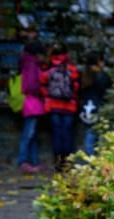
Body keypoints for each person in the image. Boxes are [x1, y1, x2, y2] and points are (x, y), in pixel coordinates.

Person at [40, 42, 80, 172]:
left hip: (53, 105)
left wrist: (49, 97)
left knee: (57, 133)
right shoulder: (71, 68)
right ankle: (67, 161)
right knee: (67, 133)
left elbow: (42, 85)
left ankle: (57, 161)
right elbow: (76, 86)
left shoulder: (47, 67)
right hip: (69, 105)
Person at [16, 40, 47, 173]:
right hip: (33, 103)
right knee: (28, 134)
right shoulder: (32, 65)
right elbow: (32, 85)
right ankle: (23, 161)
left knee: (32, 135)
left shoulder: (27, 64)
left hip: (31, 102)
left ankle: (34, 163)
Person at [79, 50, 113, 156]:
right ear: (99, 62)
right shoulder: (102, 76)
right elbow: (108, 93)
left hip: (87, 109)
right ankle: (95, 161)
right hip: (100, 108)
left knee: (90, 134)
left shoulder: (84, 76)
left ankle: (90, 159)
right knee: (97, 136)